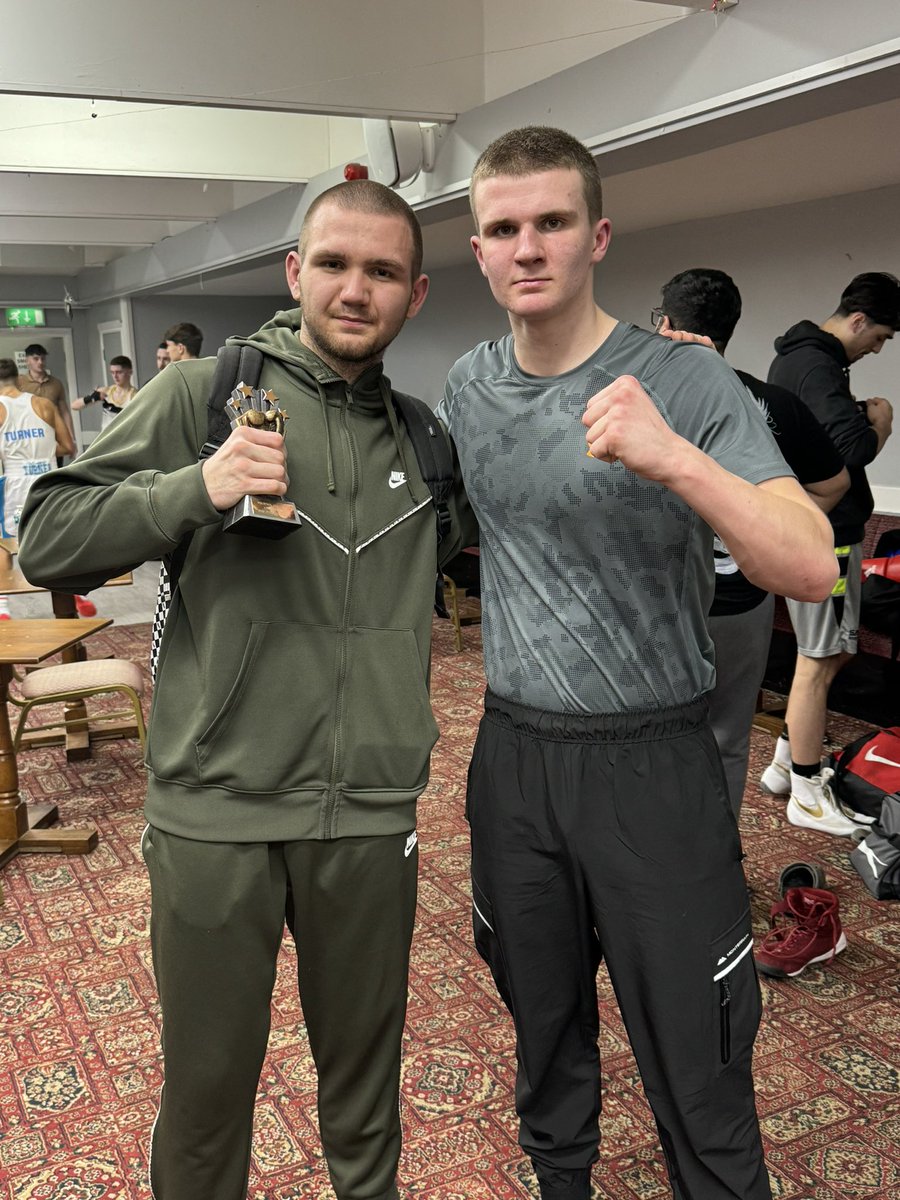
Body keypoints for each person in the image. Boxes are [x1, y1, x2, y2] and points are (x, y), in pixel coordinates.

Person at [19, 179, 473, 1200]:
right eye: (335, 264)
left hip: (367, 815)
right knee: (209, 1092)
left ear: (417, 293)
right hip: (216, 811)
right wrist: (202, 486)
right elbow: (48, 535)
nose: (356, 289)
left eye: (383, 272)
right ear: (294, 272)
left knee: (365, 1095)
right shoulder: (204, 396)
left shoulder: (422, 437)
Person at [437, 126, 837, 1200]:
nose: (530, 248)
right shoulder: (468, 390)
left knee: (698, 1047)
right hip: (516, 757)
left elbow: (807, 565)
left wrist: (674, 457)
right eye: (506, 229)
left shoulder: (685, 384)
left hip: (653, 761)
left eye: (553, 223)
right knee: (541, 1019)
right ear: (478, 250)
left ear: (597, 235)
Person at [655, 268, 849, 816]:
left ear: (665, 323)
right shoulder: (774, 403)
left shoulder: (641, 398)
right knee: (725, 738)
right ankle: (712, 864)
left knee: (642, 733)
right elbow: (833, 483)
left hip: (659, 601)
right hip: (742, 594)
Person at [761, 273, 897, 833]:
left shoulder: (804, 361)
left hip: (819, 532)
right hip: (828, 539)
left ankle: (782, 764)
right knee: (818, 661)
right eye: (882, 336)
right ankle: (807, 790)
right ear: (859, 320)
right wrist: (881, 421)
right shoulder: (816, 365)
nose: (880, 348)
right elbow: (852, 447)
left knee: (832, 653)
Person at [0, 358, 73, 615]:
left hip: (15, 482)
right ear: (19, 379)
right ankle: (67, 599)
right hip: (48, 481)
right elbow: (68, 447)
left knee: (5, 541)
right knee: (54, 540)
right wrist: (39, 456)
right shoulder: (44, 404)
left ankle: (2, 606)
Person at [17, 341, 75, 453]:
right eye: (36, 359)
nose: (40, 362)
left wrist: (71, 438)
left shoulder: (56, 383)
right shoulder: (19, 382)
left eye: (43, 359)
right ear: (27, 361)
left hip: (52, 436)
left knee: (56, 468)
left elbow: (64, 412)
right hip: (27, 437)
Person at [72, 355, 137, 428]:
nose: (115, 376)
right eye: (112, 372)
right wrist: (92, 398)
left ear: (130, 372)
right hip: (106, 437)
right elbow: (74, 406)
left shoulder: (135, 396)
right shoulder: (106, 391)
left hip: (125, 436)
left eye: (119, 372)